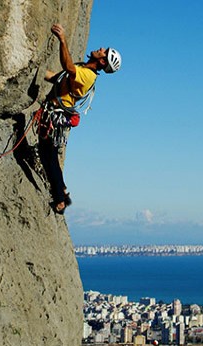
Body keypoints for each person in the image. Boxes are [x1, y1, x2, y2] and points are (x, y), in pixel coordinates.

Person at [38, 23, 121, 214]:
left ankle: (60, 199)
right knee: (49, 155)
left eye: (104, 51)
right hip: (54, 112)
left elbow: (67, 66)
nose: (100, 49)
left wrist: (63, 40)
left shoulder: (87, 76)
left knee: (48, 156)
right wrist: (36, 73)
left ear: (102, 62)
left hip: (55, 115)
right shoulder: (83, 68)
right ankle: (63, 192)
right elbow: (57, 78)